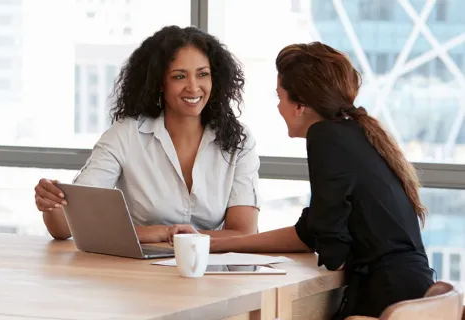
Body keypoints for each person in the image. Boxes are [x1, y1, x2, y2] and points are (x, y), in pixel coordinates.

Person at [166, 42, 435, 319]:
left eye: (280, 97)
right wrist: (213, 242)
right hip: (411, 293)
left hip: (386, 299)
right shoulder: (354, 132)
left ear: (300, 106)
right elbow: (310, 232)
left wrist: (327, 239)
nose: (279, 106)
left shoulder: (325, 136)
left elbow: (332, 249)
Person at [34, 25, 261, 243]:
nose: (193, 87)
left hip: (212, 272)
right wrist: (51, 202)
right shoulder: (125, 135)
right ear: (160, 82)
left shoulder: (238, 141)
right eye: (179, 76)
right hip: (138, 274)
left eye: (202, 74)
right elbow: (66, 226)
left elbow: (243, 233)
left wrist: (171, 236)